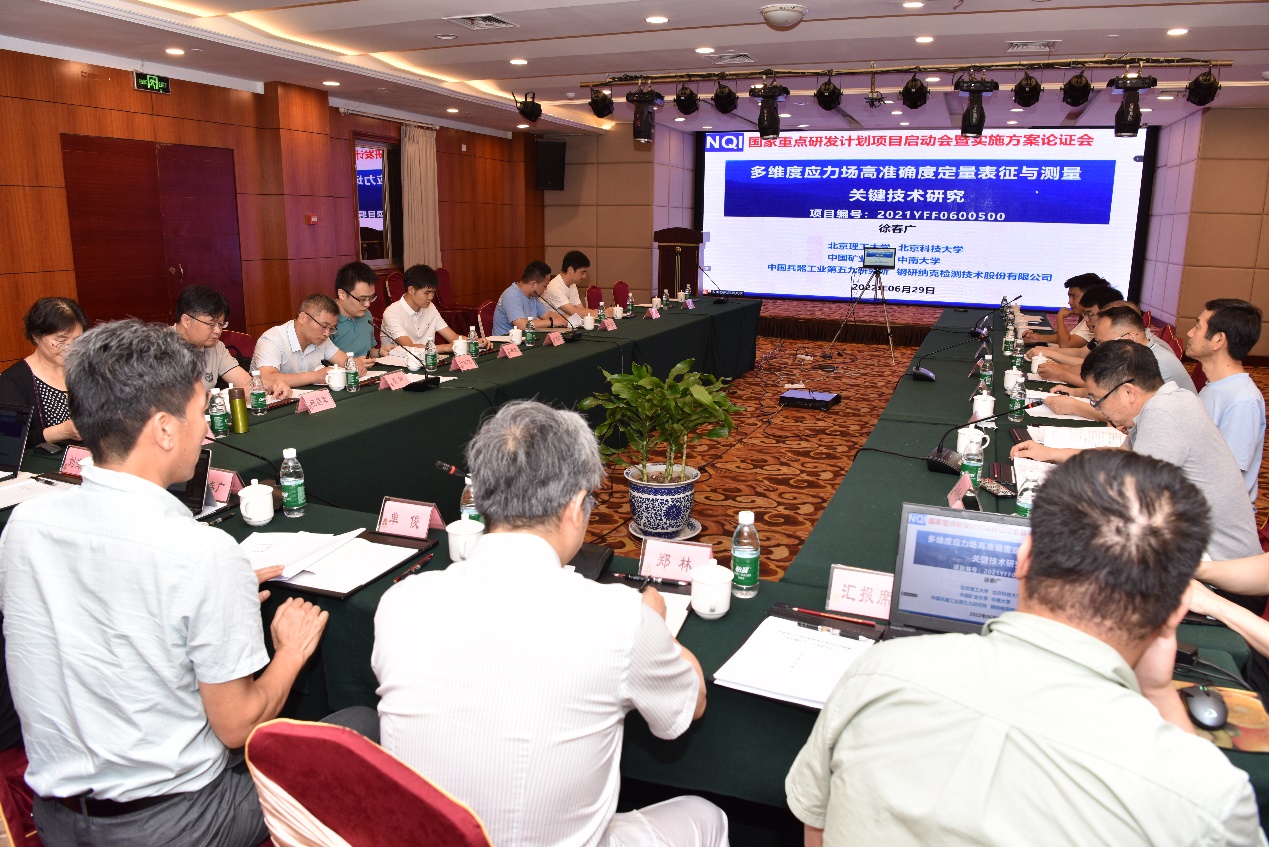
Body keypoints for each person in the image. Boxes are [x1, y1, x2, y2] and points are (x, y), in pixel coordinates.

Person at [0, 319, 377, 847]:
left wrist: (215, 592)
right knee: (363, 722)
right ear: (164, 429)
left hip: (57, 817)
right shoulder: (200, 553)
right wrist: (291, 651)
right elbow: (238, 727)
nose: (206, 430)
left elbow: (105, 598)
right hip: (181, 821)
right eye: (201, 413)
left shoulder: (25, 525)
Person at [785, 450, 1264, 846]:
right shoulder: (1208, 798)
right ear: (1174, 609)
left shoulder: (879, 671)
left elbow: (817, 828)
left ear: (1023, 556)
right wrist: (1158, 692)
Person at [372, 400, 728, 847]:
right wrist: (655, 624)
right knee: (706, 816)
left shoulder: (401, 603)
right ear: (576, 506)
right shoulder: (620, 619)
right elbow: (690, 706)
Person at [1013, 340, 1261, 567]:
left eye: (1097, 399)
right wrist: (1050, 453)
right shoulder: (1167, 399)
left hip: (1221, 568)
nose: (1098, 408)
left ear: (1128, 392)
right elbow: (1119, 457)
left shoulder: (1163, 414)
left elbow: (1134, 504)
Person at [1185, 298, 1265, 503]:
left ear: (1218, 340)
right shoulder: (1214, 387)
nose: (1190, 333)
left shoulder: (1242, 401)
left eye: (1198, 326)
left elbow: (1227, 479)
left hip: (1214, 514)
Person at [171, 286, 290, 402]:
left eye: (221, 324)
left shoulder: (216, 347)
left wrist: (274, 385)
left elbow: (248, 383)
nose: (218, 331)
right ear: (186, 321)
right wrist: (228, 396)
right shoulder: (161, 347)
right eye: (211, 324)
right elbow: (174, 402)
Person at [0, 297, 88, 447]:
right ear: (36, 336)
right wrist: (62, 432)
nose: (71, 348)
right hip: (46, 461)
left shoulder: (88, 369)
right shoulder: (13, 381)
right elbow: (10, 441)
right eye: (61, 341)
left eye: (77, 340)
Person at [252, 294, 367, 387]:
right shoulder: (272, 340)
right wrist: (315, 376)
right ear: (303, 317)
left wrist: (355, 365)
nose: (327, 333)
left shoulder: (322, 339)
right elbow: (267, 378)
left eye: (331, 328)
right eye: (324, 326)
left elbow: (345, 361)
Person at [380, 264, 489, 353]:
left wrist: (474, 342)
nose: (431, 297)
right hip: (399, 365)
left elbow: (453, 337)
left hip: (428, 361)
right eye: (427, 293)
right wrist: (446, 347)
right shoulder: (391, 313)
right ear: (411, 290)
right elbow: (409, 347)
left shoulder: (430, 307)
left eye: (433, 292)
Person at [1029, 286, 1126, 383]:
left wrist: (1060, 371)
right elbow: (1083, 354)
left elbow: (1098, 379)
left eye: (1089, 314)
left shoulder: (1119, 342)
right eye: (1084, 315)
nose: (1086, 319)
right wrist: (1050, 352)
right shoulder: (1102, 334)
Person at [1022, 272, 1108, 347]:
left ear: (1089, 295)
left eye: (1074, 296)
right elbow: (1070, 337)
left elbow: (1066, 344)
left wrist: (1060, 317)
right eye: (1069, 297)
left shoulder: (1094, 319)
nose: (1069, 302)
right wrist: (1039, 338)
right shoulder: (1086, 315)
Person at [492, 261, 571, 336]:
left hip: (526, 339)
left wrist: (567, 320)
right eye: (544, 286)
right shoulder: (511, 295)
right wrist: (551, 322)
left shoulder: (532, 296)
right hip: (506, 342)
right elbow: (522, 325)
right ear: (533, 284)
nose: (546, 289)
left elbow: (547, 314)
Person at [330, 261, 385, 360]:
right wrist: (355, 364)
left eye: (371, 298)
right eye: (362, 299)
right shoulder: (326, 319)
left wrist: (380, 352)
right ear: (342, 294)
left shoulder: (367, 315)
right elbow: (321, 361)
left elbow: (368, 353)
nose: (367, 304)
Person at [541, 250, 596, 327]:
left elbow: (581, 310)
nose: (584, 276)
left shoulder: (572, 284)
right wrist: (601, 313)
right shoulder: (554, 287)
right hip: (552, 328)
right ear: (570, 270)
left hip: (567, 325)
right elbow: (574, 312)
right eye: (582, 273)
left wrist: (597, 313)